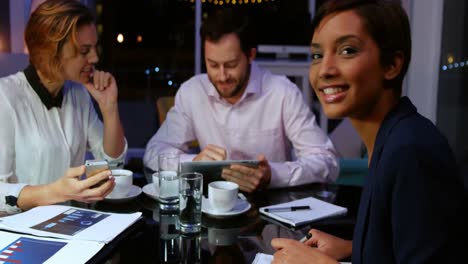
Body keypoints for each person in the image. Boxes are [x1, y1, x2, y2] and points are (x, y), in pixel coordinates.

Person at [271, 0, 467, 263]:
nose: (325, 70)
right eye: (318, 55)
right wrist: (354, 247)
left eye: (347, 50)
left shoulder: (412, 151)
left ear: (391, 66)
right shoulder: (391, 137)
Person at [144, 8, 339, 192]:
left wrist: (273, 174)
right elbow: (153, 153)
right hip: (213, 209)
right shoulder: (193, 92)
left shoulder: (282, 93)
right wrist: (194, 162)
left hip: (271, 211)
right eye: (212, 65)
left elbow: (327, 162)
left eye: (231, 64)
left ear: (250, 55)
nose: (222, 76)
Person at [0, 0, 127, 214]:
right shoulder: (5, 97)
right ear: (51, 51)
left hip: (72, 224)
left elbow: (112, 166)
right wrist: (56, 192)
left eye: (95, 48)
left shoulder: (79, 94)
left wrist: (109, 107)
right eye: (84, 50)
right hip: (19, 234)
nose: (95, 58)